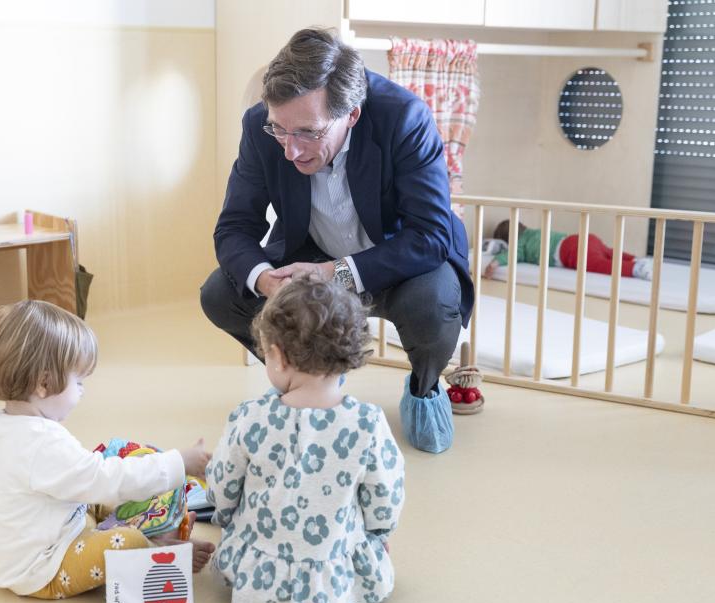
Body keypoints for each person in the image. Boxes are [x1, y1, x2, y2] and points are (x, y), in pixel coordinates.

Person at [200, 27, 473, 455]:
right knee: (220, 293)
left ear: (352, 115)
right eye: (280, 131)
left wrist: (337, 272)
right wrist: (267, 281)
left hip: (398, 257)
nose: (290, 150)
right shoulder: (260, 127)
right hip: (310, 252)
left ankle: (423, 388)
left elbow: (432, 233)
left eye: (307, 132)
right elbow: (235, 224)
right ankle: (310, 377)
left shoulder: (404, 117)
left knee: (434, 308)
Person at [0, 299, 215, 600]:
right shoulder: (40, 443)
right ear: (44, 383)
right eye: (79, 381)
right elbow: (106, 480)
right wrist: (180, 463)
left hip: (45, 536)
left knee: (111, 482)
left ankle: (155, 532)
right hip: (41, 570)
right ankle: (161, 550)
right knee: (126, 541)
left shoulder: (9, 423)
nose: (83, 391)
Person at [206, 276, 405, 603]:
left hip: (260, 559)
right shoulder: (367, 423)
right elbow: (385, 494)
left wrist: (224, 518)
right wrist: (379, 535)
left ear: (278, 357)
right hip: (332, 558)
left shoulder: (252, 418)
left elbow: (223, 487)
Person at [484, 220, 653, 280]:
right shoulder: (532, 232)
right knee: (607, 251)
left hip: (569, 251)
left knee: (598, 264)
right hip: (579, 238)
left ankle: (635, 269)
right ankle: (636, 259)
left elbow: (511, 255)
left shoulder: (519, 244)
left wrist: (494, 263)